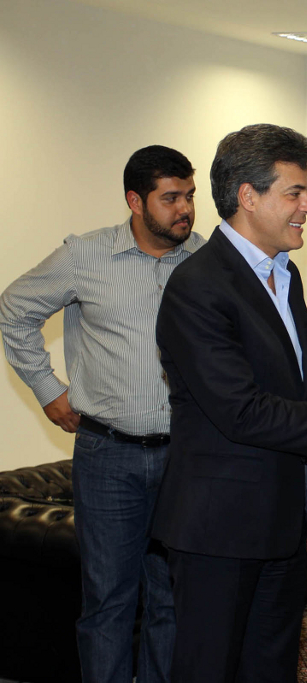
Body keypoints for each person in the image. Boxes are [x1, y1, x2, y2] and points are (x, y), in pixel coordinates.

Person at [151, 123, 307, 683]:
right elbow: (242, 411)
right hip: (219, 531)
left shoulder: (285, 276)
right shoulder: (198, 285)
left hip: (282, 525)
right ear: (248, 196)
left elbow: (298, 395)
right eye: (295, 192)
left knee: (271, 669)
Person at [0, 145, 203, 683]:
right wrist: (48, 390)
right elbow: (13, 310)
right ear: (135, 201)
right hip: (107, 456)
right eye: (170, 198)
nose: (185, 209)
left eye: (189, 196)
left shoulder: (205, 259)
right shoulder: (84, 256)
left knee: (171, 599)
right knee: (109, 602)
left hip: (184, 457)